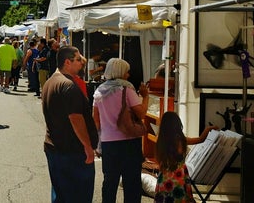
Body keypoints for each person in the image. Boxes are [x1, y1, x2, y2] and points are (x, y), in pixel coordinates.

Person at [42, 45, 98, 202]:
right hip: (72, 151)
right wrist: (88, 147)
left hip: (56, 148)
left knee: (61, 195)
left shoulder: (51, 82)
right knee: (78, 196)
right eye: (78, 59)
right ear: (67, 62)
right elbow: (75, 118)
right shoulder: (68, 85)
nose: (81, 63)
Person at [92, 58, 149, 203]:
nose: (128, 75)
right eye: (126, 72)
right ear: (121, 72)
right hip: (129, 141)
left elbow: (96, 120)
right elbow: (141, 113)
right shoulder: (127, 89)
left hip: (108, 142)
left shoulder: (99, 91)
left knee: (110, 181)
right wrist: (145, 96)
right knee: (132, 183)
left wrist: (97, 142)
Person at [154, 111, 217, 202]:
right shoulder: (180, 140)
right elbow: (200, 139)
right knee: (180, 198)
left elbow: (158, 159)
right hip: (178, 176)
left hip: (164, 177)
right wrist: (208, 129)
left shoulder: (160, 140)